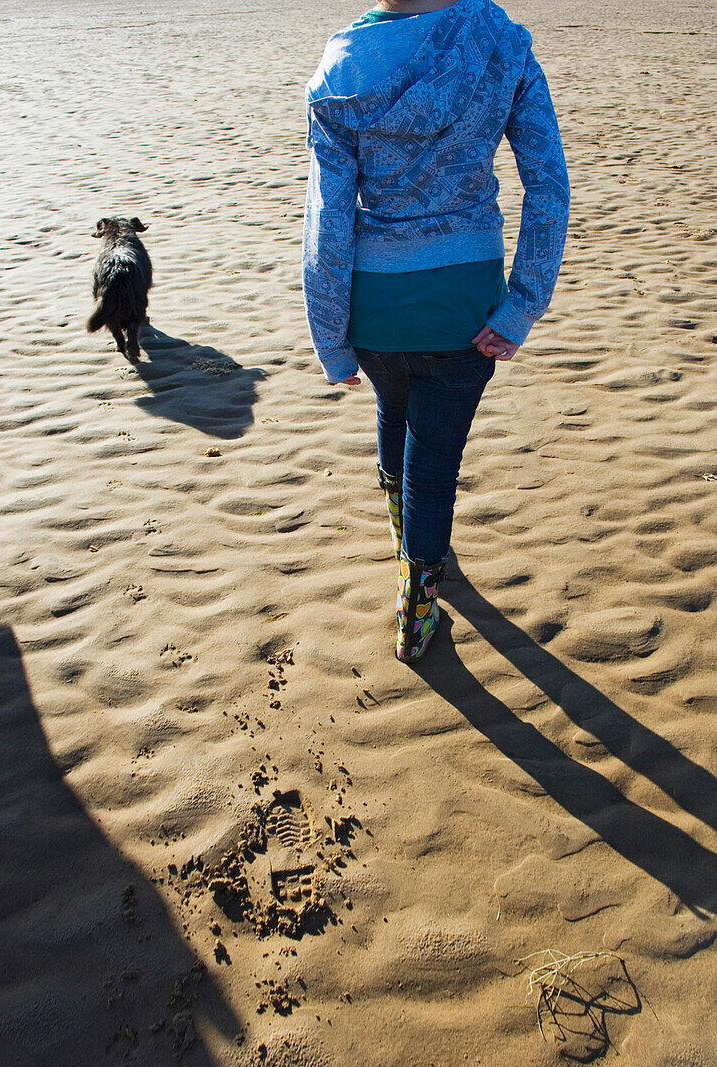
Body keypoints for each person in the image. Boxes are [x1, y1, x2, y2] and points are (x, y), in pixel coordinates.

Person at [302, 0, 569, 662]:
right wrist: (521, 303)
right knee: (436, 458)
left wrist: (330, 334)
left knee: (397, 412)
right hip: (465, 308)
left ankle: (406, 546)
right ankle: (417, 606)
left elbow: (326, 221)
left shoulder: (343, 64)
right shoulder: (499, 41)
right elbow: (548, 188)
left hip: (374, 308)